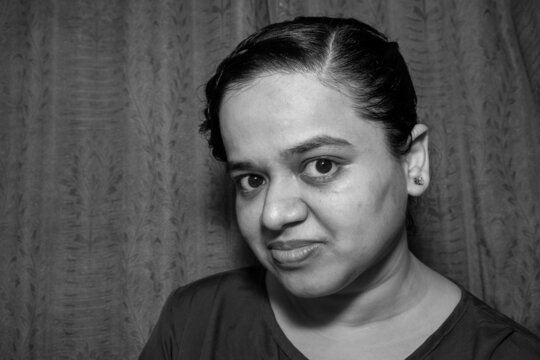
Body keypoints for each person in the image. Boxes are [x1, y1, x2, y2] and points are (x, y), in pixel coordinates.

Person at [138, 17, 540, 359]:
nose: (273, 214)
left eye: (322, 165)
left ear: (413, 162)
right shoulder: (193, 324)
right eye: (253, 180)